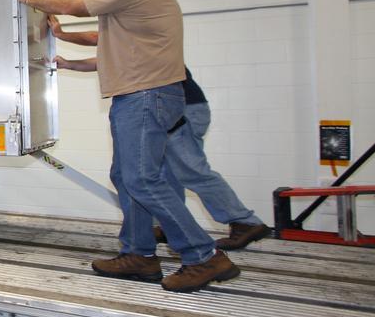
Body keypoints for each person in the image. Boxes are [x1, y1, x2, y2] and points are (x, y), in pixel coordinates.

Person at [11, 0, 240, 293]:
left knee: (142, 179)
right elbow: (93, 38)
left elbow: (74, 6)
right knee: (125, 176)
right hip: (137, 98)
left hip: (146, 97)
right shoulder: (127, 5)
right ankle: (139, 254)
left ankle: (203, 256)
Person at [48, 16, 270, 251]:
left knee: (190, 171)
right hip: (179, 108)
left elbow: (98, 39)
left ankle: (244, 221)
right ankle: (170, 225)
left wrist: (61, 34)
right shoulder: (130, 45)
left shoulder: (142, 30)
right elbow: (103, 61)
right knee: (164, 174)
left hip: (183, 110)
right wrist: (67, 64)